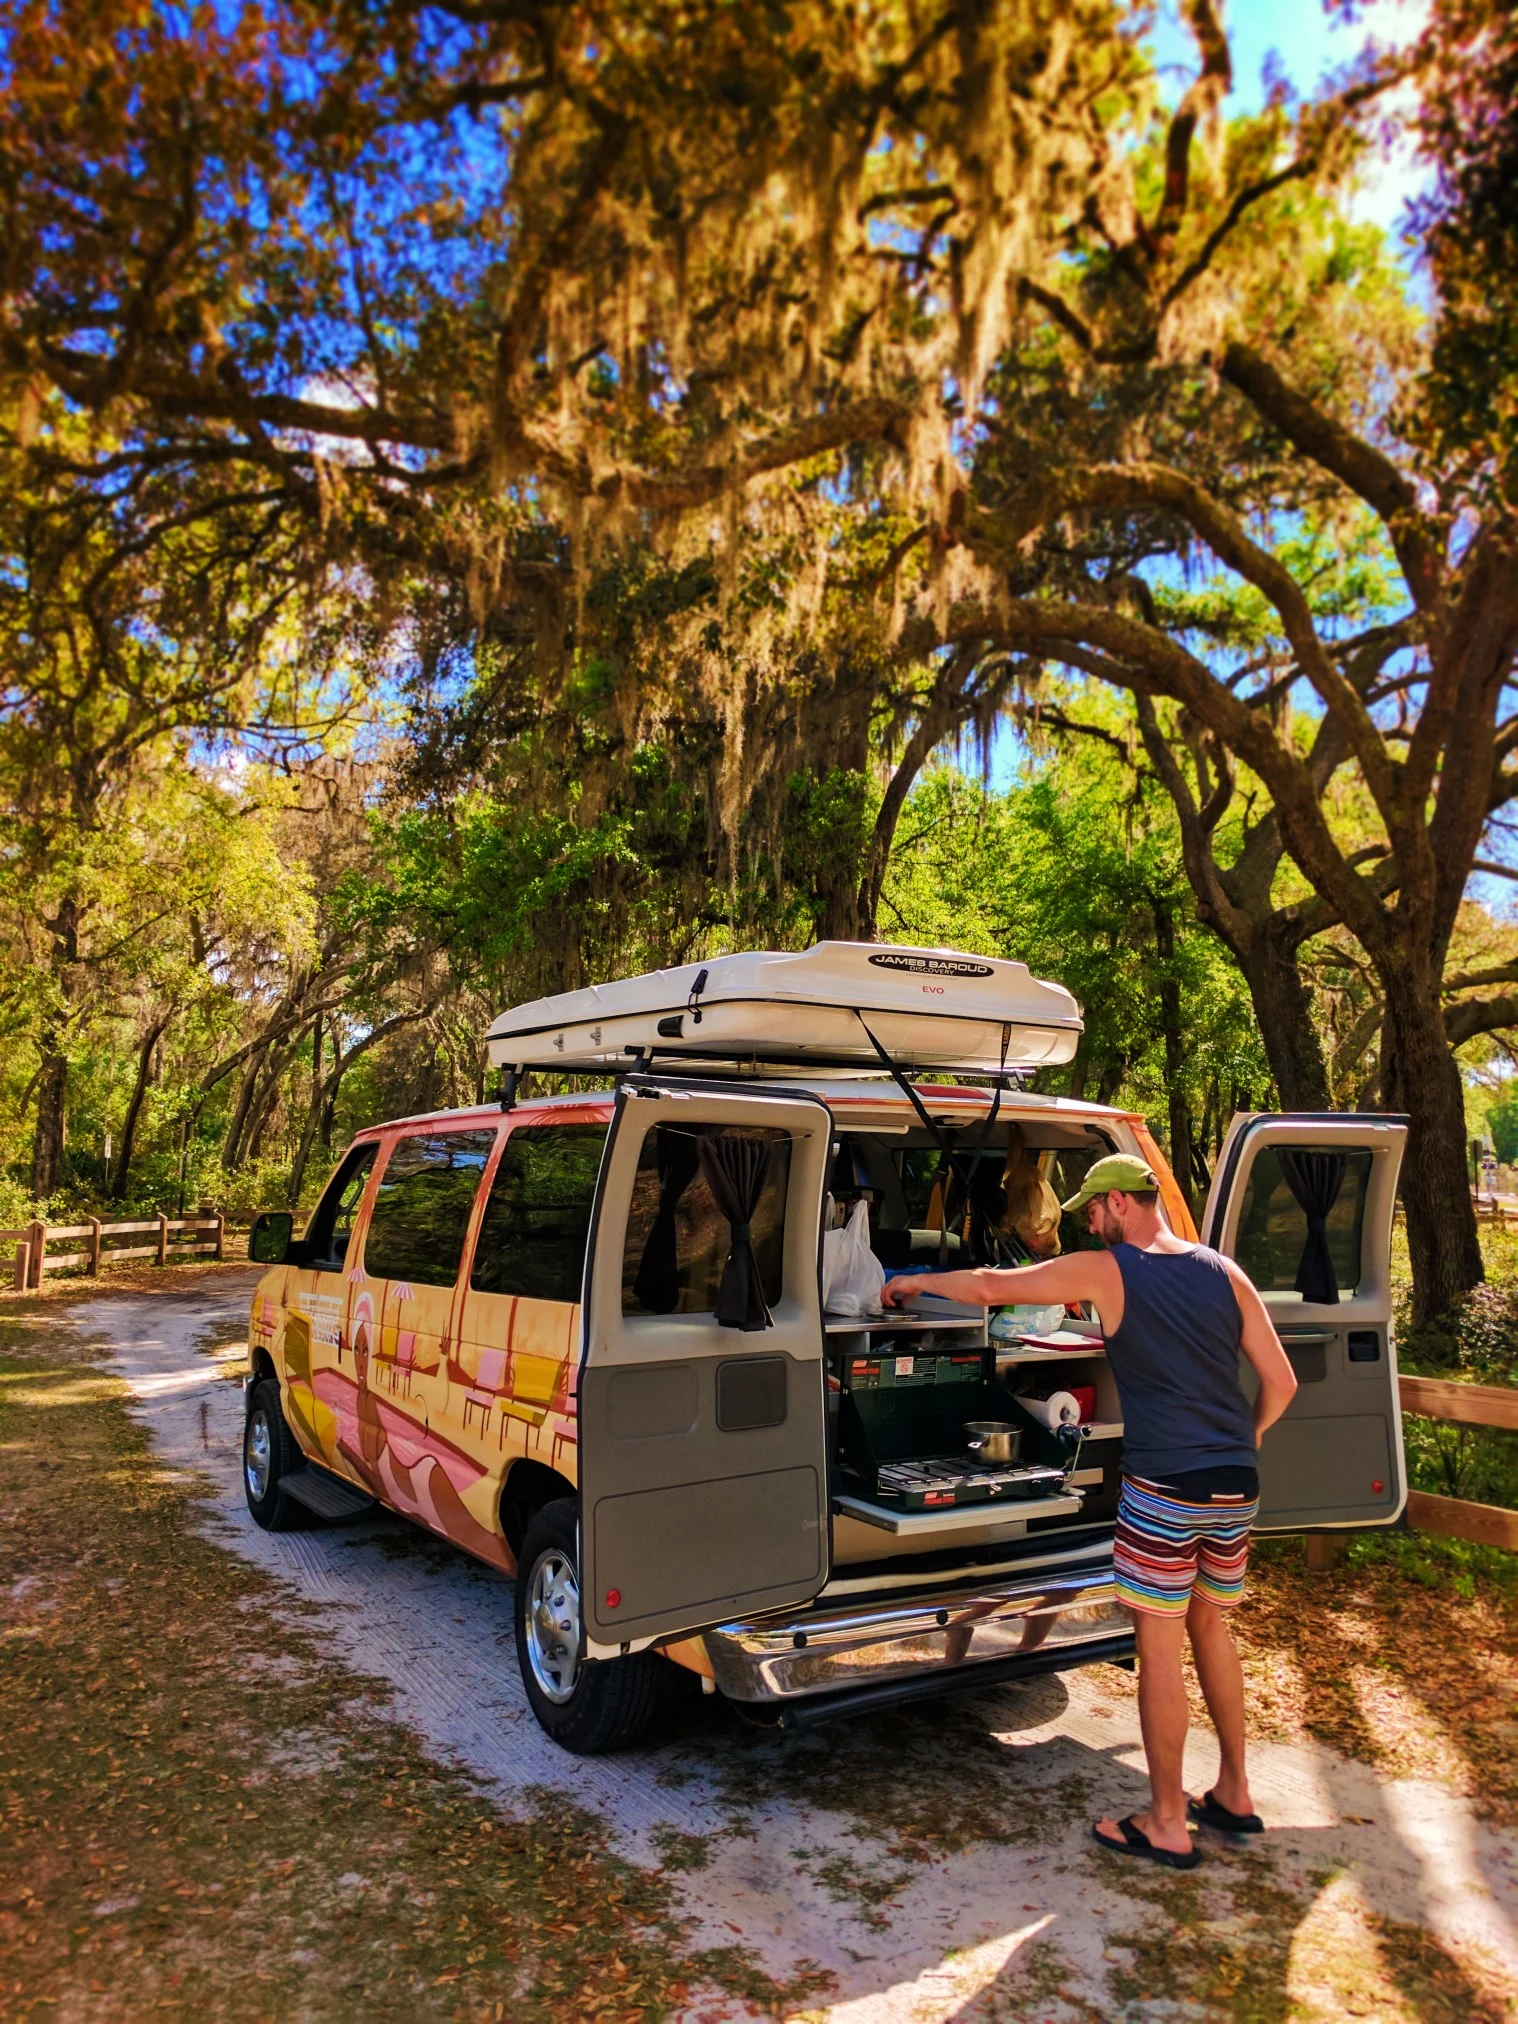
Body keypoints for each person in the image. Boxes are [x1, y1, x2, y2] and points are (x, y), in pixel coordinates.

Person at [882, 1150, 1298, 1870]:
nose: (1092, 1224)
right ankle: (1234, 1791)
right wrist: (1239, 1441)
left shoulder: (1112, 1269)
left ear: (1122, 1204)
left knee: (1161, 1643)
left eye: (1096, 1210)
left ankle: (1167, 1820)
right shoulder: (1225, 1272)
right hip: (1235, 1484)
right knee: (1213, 1624)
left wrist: (914, 1281)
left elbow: (990, 1286)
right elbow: (1282, 1381)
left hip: (1166, 1485)